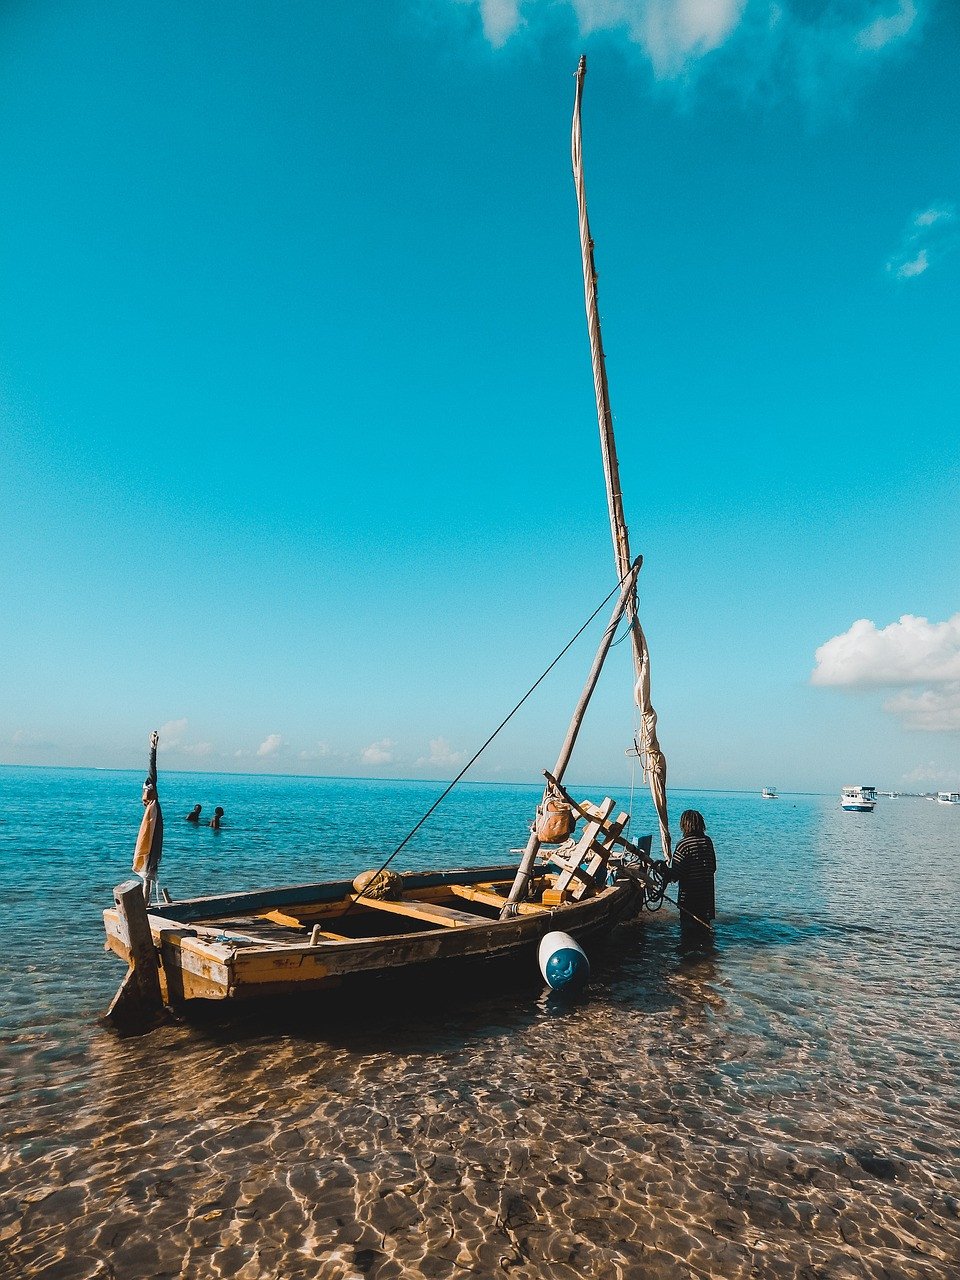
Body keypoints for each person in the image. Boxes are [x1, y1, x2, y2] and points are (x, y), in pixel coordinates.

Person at [666, 809, 716, 934]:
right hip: (706, 898)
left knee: (688, 936)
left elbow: (675, 875)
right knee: (704, 933)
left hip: (689, 900)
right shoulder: (707, 842)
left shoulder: (683, 845)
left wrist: (663, 871)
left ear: (684, 825)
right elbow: (713, 867)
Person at [132, 730, 163, 903]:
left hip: (154, 833)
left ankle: (146, 902)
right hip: (152, 831)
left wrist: (153, 747)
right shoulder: (149, 808)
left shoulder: (153, 806)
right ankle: (145, 901)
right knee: (147, 871)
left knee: (149, 870)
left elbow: (152, 770)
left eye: (147, 790)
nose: (144, 794)